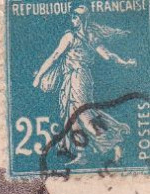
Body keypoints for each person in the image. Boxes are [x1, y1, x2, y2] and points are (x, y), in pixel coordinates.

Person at [33, 5, 136, 165]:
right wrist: (124, 62)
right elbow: (107, 56)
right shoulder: (90, 36)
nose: (72, 19)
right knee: (72, 117)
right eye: (72, 16)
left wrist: (39, 76)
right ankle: (82, 154)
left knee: (86, 116)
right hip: (74, 79)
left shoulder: (70, 37)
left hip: (78, 79)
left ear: (82, 19)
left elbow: (54, 57)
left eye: (75, 17)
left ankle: (115, 141)